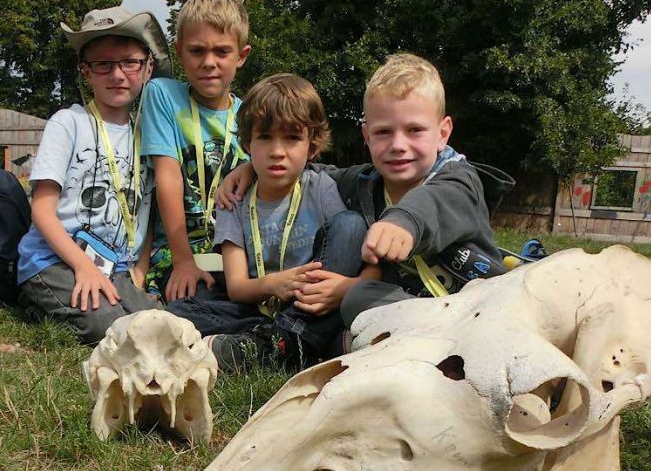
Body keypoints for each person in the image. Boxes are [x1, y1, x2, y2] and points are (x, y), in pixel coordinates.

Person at [217, 53, 514, 334]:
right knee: (358, 299)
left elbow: (437, 201)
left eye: (414, 130)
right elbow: (311, 171)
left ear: (443, 133)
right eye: (384, 132)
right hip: (409, 306)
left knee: (357, 297)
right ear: (367, 135)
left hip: (478, 307)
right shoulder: (364, 182)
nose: (398, 144)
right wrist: (249, 169)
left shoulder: (460, 179)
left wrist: (403, 221)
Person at [167, 74, 370, 372]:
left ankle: (274, 344)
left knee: (350, 224)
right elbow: (236, 287)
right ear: (248, 143)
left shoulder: (321, 188)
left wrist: (343, 288)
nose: (277, 151)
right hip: (259, 307)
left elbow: (348, 249)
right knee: (180, 310)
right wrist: (273, 284)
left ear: (311, 147)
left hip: (310, 303)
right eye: (265, 137)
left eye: (291, 138)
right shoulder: (233, 200)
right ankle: (300, 343)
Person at [17, 6, 171, 345]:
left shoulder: (150, 135)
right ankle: (34, 301)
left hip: (115, 269)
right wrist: (82, 267)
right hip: (54, 261)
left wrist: (140, 274)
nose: (117, 74)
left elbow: (146, 212)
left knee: (158, 325)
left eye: (129, 62)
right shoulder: (68, 123)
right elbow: (42, 210)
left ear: (147, 68)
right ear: (86, 71)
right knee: (111, 328)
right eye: (104, 64)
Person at [140, 0, 252, 303]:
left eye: (221, 52)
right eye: (197, 51)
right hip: (178, 252)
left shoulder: (252, 117)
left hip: (236, 252)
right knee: (198, 302)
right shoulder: (162, 95)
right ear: (179, 52)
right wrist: (183, 260)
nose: (209, 62)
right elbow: (168, 176)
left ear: (241, 56)